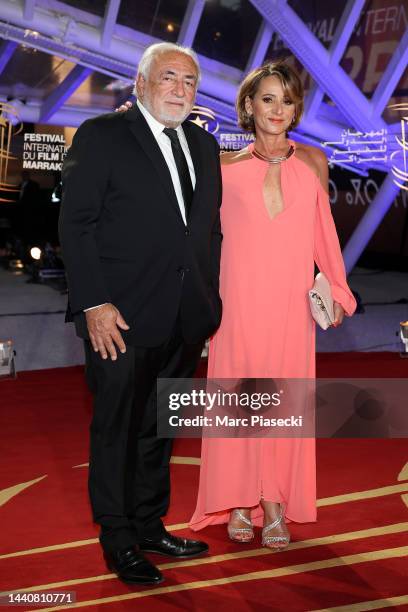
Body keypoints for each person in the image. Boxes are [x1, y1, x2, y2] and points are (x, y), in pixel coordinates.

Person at [59, 42, 222, 585]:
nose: (181, 89)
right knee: (117, 430)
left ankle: (150, 525)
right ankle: (119, 541)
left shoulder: (202, 144)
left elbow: (206, 233)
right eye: (170, 78)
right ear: (141, 83)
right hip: (118, 319)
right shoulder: (102, 137)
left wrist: (208, 303)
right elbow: (76, 226)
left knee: (160, 430)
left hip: (184, 317)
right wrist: (93, 304)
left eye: (190, 82)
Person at [188, 62, 356, 547]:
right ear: (248, 105)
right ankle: (239, 501)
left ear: (296, 108)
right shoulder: (222, 166)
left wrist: (339, 291)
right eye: (267, 98)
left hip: (290, 309)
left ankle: (275, 503)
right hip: (236, 304)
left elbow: (323, 236)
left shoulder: (315, 163)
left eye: (286, 100)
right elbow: (202, 238)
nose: (277, 109)